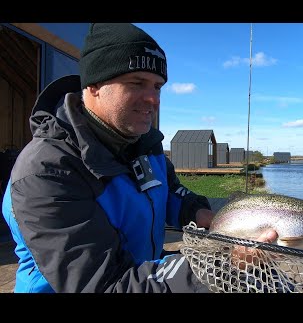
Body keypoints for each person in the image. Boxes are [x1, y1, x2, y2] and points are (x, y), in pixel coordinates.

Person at [1, 23, 277, 293]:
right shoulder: (46, 172)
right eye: (137, 83)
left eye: (157, 86)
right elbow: (105, 283)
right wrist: (223, 263)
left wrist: (200, 212)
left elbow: (169, 192)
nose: (152, 99)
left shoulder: (145, 143)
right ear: (94, 85)